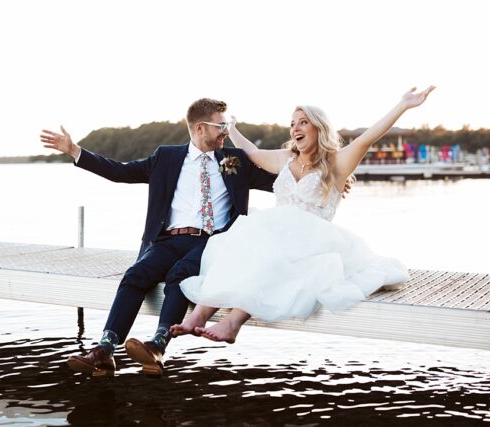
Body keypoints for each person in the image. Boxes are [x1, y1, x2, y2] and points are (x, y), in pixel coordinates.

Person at [171, 86, 436, 344]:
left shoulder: (336, 163)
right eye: (292, 124)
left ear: (318, 128)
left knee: (269, 253)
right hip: (274, 233)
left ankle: (232, 323)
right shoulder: (286, 159)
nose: (295, 128)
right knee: (240, 241)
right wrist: (234, 130)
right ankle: (199, 315)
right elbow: (251, 152)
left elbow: (367, 138)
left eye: (303, 122)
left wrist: (403, 104)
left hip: (313, 243)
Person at [40, 98, 277, 376]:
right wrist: (75, 150)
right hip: (166, 240)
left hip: (213, 243)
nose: (226, 131)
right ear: (200, 128)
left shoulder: (233, 160)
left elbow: (277, 183)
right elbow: (121, 172)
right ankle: (105, 349)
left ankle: (158, 345)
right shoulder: (167, 157)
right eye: (221, 125)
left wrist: (323, 177)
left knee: (180, 275)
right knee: (135, 275)